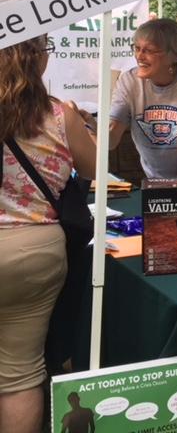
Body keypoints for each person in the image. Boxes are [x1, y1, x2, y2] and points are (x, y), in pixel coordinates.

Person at [0, 36, 96, 433]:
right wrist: (82, 124)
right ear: (39, 60)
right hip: (34, 252)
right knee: (20, 374)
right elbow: (93, 167)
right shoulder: (60, 116)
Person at [80, 18, 177, 179]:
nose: (139, 56)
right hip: (159, 177)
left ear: (173, 54)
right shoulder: (129, 82)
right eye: (137, 48)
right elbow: (110, 141)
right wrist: (92, 126)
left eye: (149, 50)